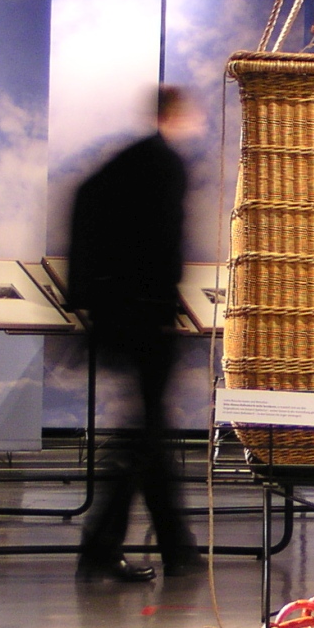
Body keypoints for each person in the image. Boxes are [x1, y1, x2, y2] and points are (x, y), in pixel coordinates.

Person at [66, 85, 205, 582]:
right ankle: (115, 548)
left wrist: (89, 293)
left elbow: (85, 203)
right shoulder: (160, 163)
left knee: (148, 431)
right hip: (143, 315)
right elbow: (164, 242)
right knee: (145, 434)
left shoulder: (130, 162)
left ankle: (173, 548)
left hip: (126, 313)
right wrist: (158, 297)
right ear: (175, 114)